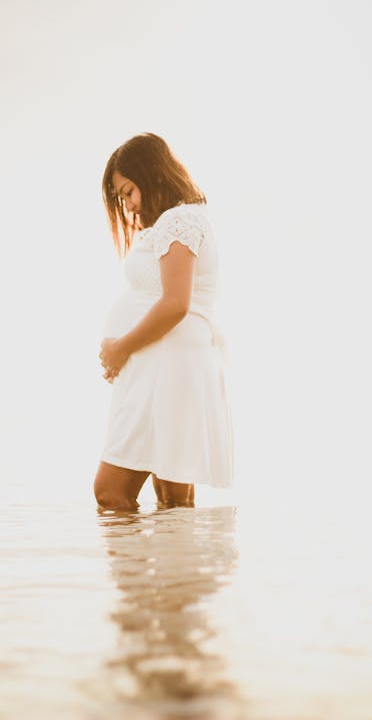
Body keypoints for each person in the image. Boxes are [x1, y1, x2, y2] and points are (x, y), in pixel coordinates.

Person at [93, 133, 234, 512]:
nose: (128, 205)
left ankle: (134, 573)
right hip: (166, 367)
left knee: (111, 492)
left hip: (166, 371)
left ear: (152, 176)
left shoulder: (178, 221)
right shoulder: (182, 219)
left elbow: (175, 304)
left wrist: (121, 348)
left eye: (128, 192)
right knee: (172, 501)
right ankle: (178, 571)